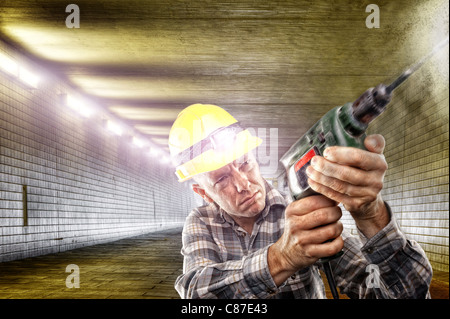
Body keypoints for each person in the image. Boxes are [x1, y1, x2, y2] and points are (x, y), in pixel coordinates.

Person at [169, 103, 432, 299]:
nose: (243, 184)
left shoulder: (299, 210)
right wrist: (281, 258)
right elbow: (195, 293)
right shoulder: (201, 223)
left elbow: (404, 293)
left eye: (245, 163)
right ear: (202, 192)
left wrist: (371, 216)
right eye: (222, 180)